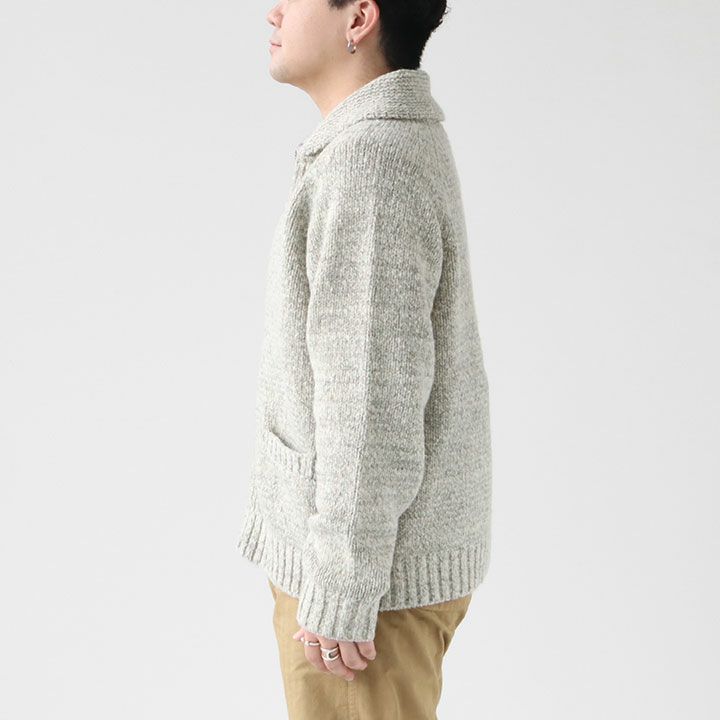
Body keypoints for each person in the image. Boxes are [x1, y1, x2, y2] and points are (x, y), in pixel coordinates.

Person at [236, 1, 492, 717]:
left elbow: (372, 399)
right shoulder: (373, 147)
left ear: (360, 19)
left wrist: (343, 586)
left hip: (363, 594)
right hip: (364, 574)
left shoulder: (370, 164)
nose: (274, 11)